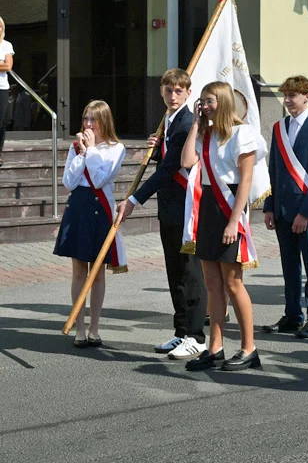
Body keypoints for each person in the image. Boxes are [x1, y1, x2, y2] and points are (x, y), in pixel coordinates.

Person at [117, 68, 207, 360]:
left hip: (186, 207)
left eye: (179, 91)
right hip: (170, 208)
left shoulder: (185, 123)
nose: (173, 95)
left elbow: (171, 170)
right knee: (174, 272)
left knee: (190, 272)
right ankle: (181, 332)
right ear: (161, 92)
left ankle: (196, 336)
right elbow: (166, 160)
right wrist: (157, 150)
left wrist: (134, 199)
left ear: (188, 93)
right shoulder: (168, 122)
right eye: (168, 90)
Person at [180, 82, 266, 372]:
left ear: (225, 101)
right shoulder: (206, 134)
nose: (205, 105)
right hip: (208, 209)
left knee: (232, 282)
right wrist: (196, 124)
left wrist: (234, 220)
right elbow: (187, 161)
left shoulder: (242, 133)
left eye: (210, 101)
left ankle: (248, 348)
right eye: (202, 101)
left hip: (230, 208)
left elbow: (245, 181)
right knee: (213, 284)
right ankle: (215, 348)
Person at [263, 76, 308, 339]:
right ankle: (292, 315)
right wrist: (269, 206)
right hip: (281, 209)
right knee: (289, 267)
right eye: (286, 95)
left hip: (307, 211)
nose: (288, 100)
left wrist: (305, 212)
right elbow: (274, 171)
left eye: (293, 95)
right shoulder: (279, 127)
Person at [54, 100, 127, 348]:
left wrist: (92, 151)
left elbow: (99, 179)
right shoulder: (77, 147)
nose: (87, 124)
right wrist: (82, 153)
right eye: (85, 119)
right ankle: (80, 327)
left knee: (97, 273)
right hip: (79, 208)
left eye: (92, 120)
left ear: (103, 121)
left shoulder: (117, 148)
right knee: (78, 271)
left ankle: (95, 328)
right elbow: (68, 182)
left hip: (100, 210)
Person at [0, 16, 14, 167]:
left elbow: (8, 66)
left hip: (2, 88)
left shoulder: (7, 45)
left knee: (1, 122)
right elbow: (3, 65)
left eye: (0, 26)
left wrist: (4, 63)